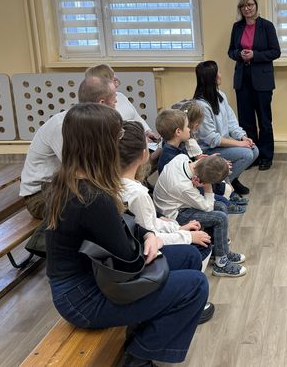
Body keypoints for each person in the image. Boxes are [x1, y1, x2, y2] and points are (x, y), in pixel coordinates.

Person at [44, 103, 209, 366]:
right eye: (118, 133)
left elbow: (126, 225)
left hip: (93, 279)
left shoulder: (70, 180)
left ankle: (151, 325)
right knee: (196, 285)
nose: (120, 139)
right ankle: (138, 358)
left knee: (189, 256)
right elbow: (129, 262)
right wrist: (150, 238)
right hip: (84, 298)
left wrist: (148, 234)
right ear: (102, 143)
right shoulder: (92, 197)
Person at [118, 120, 215, 324]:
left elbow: (147, 223)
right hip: (142, 254)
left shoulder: (118, 182)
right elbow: (151, 237)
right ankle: (186, 301)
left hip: (135, 245)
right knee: (200, 248)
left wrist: (177, 227)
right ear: (143, 155)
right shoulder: (137, 194)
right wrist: (188, 236)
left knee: (191, 240)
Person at [20, 76, 117, 219]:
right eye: (114, 99)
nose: (116, 102)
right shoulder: (63, 126)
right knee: (97, 207)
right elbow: (79, 170)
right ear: (102, 103)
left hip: (64, 187)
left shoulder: (88, 122)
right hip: (41, 195)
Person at [153, 153, 247, 278]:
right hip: (172, 214)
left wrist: (210, 165)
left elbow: (203, 166)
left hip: (173, 203)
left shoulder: (180, 158)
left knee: (221, 206)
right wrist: (208, 187)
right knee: (220, 218)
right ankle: (221, 264)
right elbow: (208, 207)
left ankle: (220, 249)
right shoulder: (184, 187)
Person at [155, 108, 246, 214]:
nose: (189, 129)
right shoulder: (169, 157)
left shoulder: (178, 146)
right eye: (187, 126)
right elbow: (181, 185)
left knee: (218, 166)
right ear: (178, 132)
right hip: (184, 196)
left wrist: (208, 161)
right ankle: (227, 199)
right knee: (221, 202)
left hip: (192, 185)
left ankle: (228, 194)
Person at [228, 0, 281, 171]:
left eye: (250, 4)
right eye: (243, 6)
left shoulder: (266, 26)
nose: (247, 8)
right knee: (246, 121)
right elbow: (231, 51)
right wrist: (239, 54)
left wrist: (255, 55)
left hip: (262, 80)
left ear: (256, 5)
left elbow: (276, 52)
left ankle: (266, 156)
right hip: (242, 79)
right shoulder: (237, 27)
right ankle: (252, 155)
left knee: (264, 121)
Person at [193, 60, 259, 196]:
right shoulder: (201, 105)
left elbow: (231, 122)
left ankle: (230, 181)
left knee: (254, 150)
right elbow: (212, 139)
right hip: (208, 149)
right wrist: (240, 144)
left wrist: (243, 137)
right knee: (246, 153)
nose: (220, 75)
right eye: (218, 72)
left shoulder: (221, 95)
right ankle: (221, 187)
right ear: (212, 78)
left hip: (221, 145)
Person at [85, 64, 160, 143]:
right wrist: (140, 139)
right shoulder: (98, 108)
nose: (116, 78)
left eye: (114, 74)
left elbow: (136, 116)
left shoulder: (121, 96)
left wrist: (147, 131)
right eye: (111, 76)